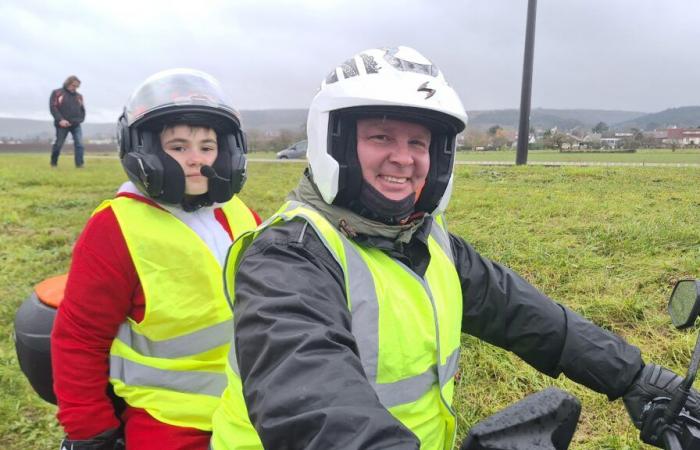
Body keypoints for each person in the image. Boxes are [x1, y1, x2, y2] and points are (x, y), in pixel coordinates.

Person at [210, 46, 700, 449]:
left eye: (419, 144)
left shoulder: (423, 237)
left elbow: (523, 313)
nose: (403, 159)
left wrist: (635, 377)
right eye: (381, 137)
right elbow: (316, 406)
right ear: (333, 142)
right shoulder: (287, 257)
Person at [51, 68, 261, 450]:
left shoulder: (239, 214)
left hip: (254, 403)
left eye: (208, 147)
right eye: (178, 147)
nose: (196, 159)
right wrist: (89, 431)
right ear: (144, 150)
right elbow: (79, 338)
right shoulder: (117, 227)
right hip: (171, 417)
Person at [49, 75, 86, 167]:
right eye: (74, 85)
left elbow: (82, 109)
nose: (75, 88)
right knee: (58, 144)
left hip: (76, 124)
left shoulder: (79, 96)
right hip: (61, 124)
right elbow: (53, 108)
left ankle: (79, 165)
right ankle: (53, 163)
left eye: (77, 86)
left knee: (80, 144)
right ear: (68, 83)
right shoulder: (57, 93)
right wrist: (61, 120)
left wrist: (80, 119)